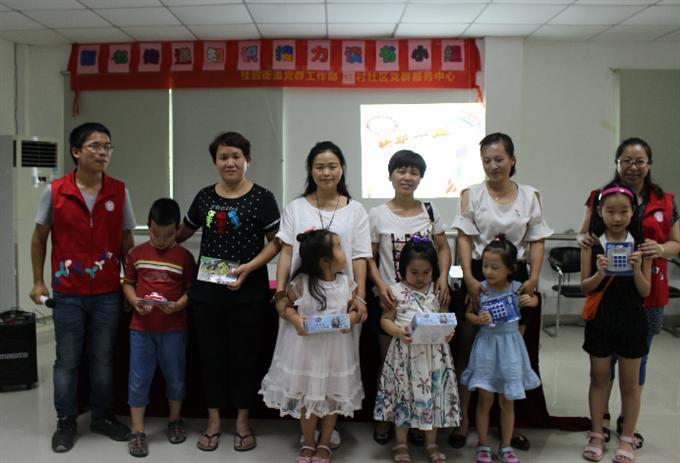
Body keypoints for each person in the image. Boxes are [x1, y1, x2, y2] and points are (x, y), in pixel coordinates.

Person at [30, 122, 136, 452]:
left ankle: (102, 416)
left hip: (107, 292)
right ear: (76, 152)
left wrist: (129, 282)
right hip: (68, 292)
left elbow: (127, 241)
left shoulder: (119, 191)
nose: (103, 152)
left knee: (102, 358)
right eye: (95, 146)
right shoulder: (56, 191)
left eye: (107, 146)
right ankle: (66, 421)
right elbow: (39, 237)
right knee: (67, 360)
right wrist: (38, 280)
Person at [175, 131, 280, 453]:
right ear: (215, 162)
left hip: (249, 292)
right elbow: (181, 233)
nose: (230, 162)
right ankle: (214, 421)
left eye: (236, 156)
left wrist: (249, 267)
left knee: (245, 358)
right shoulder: (204, 197)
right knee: (211, 357)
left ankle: (243, 422)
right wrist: (158, 236)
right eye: (223, 157)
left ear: (248, 159)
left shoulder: (262, 197)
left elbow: (277, 242)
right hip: (207, 294)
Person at [450, 132, 552, 450]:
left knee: (513, 355)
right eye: (487, 160)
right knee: (470, 351)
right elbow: (464, 237)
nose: (493, 166)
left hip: (516, 277)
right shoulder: (471, 194)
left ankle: (508, 428)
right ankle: (464, 422)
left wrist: (534, 278)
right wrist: (469, 277)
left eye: (499, 159)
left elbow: (537, 239)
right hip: (480, 276)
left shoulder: (530, 195)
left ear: (512, 159)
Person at [577, 138, 680, 446]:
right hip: (605, 296)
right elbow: (585, 234)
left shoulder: (665, 201)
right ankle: (602, 421)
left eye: (640, 161)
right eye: (626, 161)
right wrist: (585, 243)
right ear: (617, 163)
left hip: (647, 291)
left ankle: (627, 424)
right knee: (602, 366)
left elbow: (676, 243)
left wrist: (657, 249)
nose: (633, 167)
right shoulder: (598, 195)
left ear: (649, 164)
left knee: (637, 361)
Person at [273, 141, 372, 450]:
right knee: (305, 368)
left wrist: (360, 297)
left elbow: (360, 256)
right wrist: (280, 294)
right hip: (304, 302)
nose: (326, 172)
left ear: (342, 169)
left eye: (332, 166)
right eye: (319, 167)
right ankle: (308, 434)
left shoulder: (355, 210)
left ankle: (327, 433)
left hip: (341, 302)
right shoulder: (296, 207)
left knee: (334, 369)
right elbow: (286, 253)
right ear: (311, 171)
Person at [368, 149, 452, 446]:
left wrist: (442, 276)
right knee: (389, 362)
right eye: (401, 171)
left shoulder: (430, 210)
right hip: (391, 300)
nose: (407, 177)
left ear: (420, 178)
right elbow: (369, 255)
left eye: (414, 172)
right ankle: (385, 418)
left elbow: (443, 247)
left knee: (424, 364)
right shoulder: (377, 214)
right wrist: (380, 285)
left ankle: (419, 419)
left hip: (425, 301)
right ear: (390, 175)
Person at [261, 229, 363, 463]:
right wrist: (296, 319)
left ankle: (325, 442)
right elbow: (285, 306)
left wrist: (349, 319)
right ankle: (308, 442)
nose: (343, 251)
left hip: (336, 352)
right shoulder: (301, 284)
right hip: (307, 353)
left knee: (331, 397)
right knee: (307, 398)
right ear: (325, 260)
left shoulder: (347, 284)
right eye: (338, 246)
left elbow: (356, 312)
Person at [580, 184, 651, 463]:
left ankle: (627, 438)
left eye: (624, 211)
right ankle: (597, 433)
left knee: (630, 384)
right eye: (610, 211)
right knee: (599, 378)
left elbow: (645, 291)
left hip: (633, 319)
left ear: (634, 212)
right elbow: (586, 287)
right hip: (600, 319)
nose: (617, 217)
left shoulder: (642, 246)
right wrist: (600, 273)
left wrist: (637, 269)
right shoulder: (591, 244)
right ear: (600, 211)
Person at [373, 238, 459, 463]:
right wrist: (397, 330)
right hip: (405, 355)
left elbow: (446, 318)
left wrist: (449, 332)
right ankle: (401, 444)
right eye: (414, 272)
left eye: (426, 272)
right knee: (404, 397)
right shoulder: (395, 292)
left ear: (433, 270)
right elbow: (385, 320)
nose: (420, 277)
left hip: (434, 357)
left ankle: (431, 443)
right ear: (403, 269)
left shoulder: (437, 291)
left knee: (433, 396)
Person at [122, 198, 195, 458]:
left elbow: (191, 290)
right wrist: (134, 301)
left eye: (168, 235)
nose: (161, 241)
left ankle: (175, 420)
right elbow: (128, 283)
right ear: (148, 226)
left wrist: (178, 306)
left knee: (175, 377)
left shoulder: (184, 257)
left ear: (178, 230)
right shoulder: (136, 254)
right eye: (155, 234)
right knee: (138, 379)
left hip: (173, 328)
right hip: (141, 329)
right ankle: (138, 430)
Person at [460, 235, 541, 463]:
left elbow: (534, 299)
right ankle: (483, 443)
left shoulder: (517, 288)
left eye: (495, 267)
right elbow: (468, 313)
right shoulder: (480, 289)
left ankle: (505, 445)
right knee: (485, 400)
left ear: (511, 268)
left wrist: (531, 301)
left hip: (510, 349)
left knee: (507, 401)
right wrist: (477, 320)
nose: (488, 271)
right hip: (486, 348)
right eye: (485, 265)